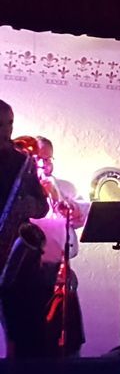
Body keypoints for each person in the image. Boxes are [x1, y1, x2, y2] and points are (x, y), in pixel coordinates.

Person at [8, 135, 85, 356]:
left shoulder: (64, 186)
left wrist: (56, 194)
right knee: (22, 341)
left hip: (59, 271)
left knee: (70, 340)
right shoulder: (16, 187)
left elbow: (79, 219)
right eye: (37, 159)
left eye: (48, 159)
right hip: (22, 273)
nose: (43, 164)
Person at [0, 102, 49, 358]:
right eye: (0, 125)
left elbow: (42, 207)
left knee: (19, 331)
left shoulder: (23, 162)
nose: (6, 132)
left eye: (9, 124)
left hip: (13, 256)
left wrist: (27, 204)